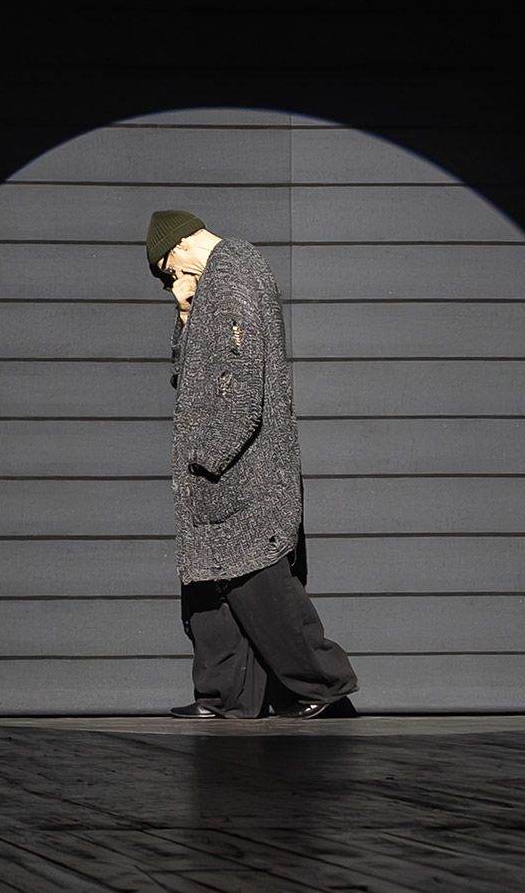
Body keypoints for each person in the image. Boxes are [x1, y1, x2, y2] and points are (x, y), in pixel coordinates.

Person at [145, 209, 359, 719]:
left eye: (168, 272)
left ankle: (324, 686)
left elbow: (244, 377)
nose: (173, 282)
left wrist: (208, 453)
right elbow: (186, 376)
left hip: (243, 469)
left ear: (177, 248)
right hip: (218, 474)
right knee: (210, 590)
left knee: (258, 584)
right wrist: (184, 314)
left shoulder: (234, 268)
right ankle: (225, 696)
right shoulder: (213, 284)